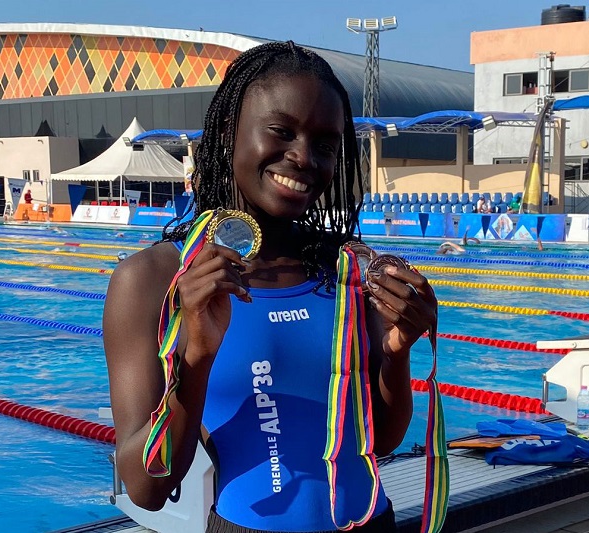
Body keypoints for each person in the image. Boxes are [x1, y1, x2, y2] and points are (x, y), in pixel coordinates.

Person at [103, 41, 437, 533]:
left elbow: (381, 441)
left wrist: (398, 352)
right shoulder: (153, 280)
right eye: (282, 131)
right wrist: (194, 358)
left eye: (325, 145)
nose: (304, 157)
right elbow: (146, 487)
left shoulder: (350, 273)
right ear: (226, 132)